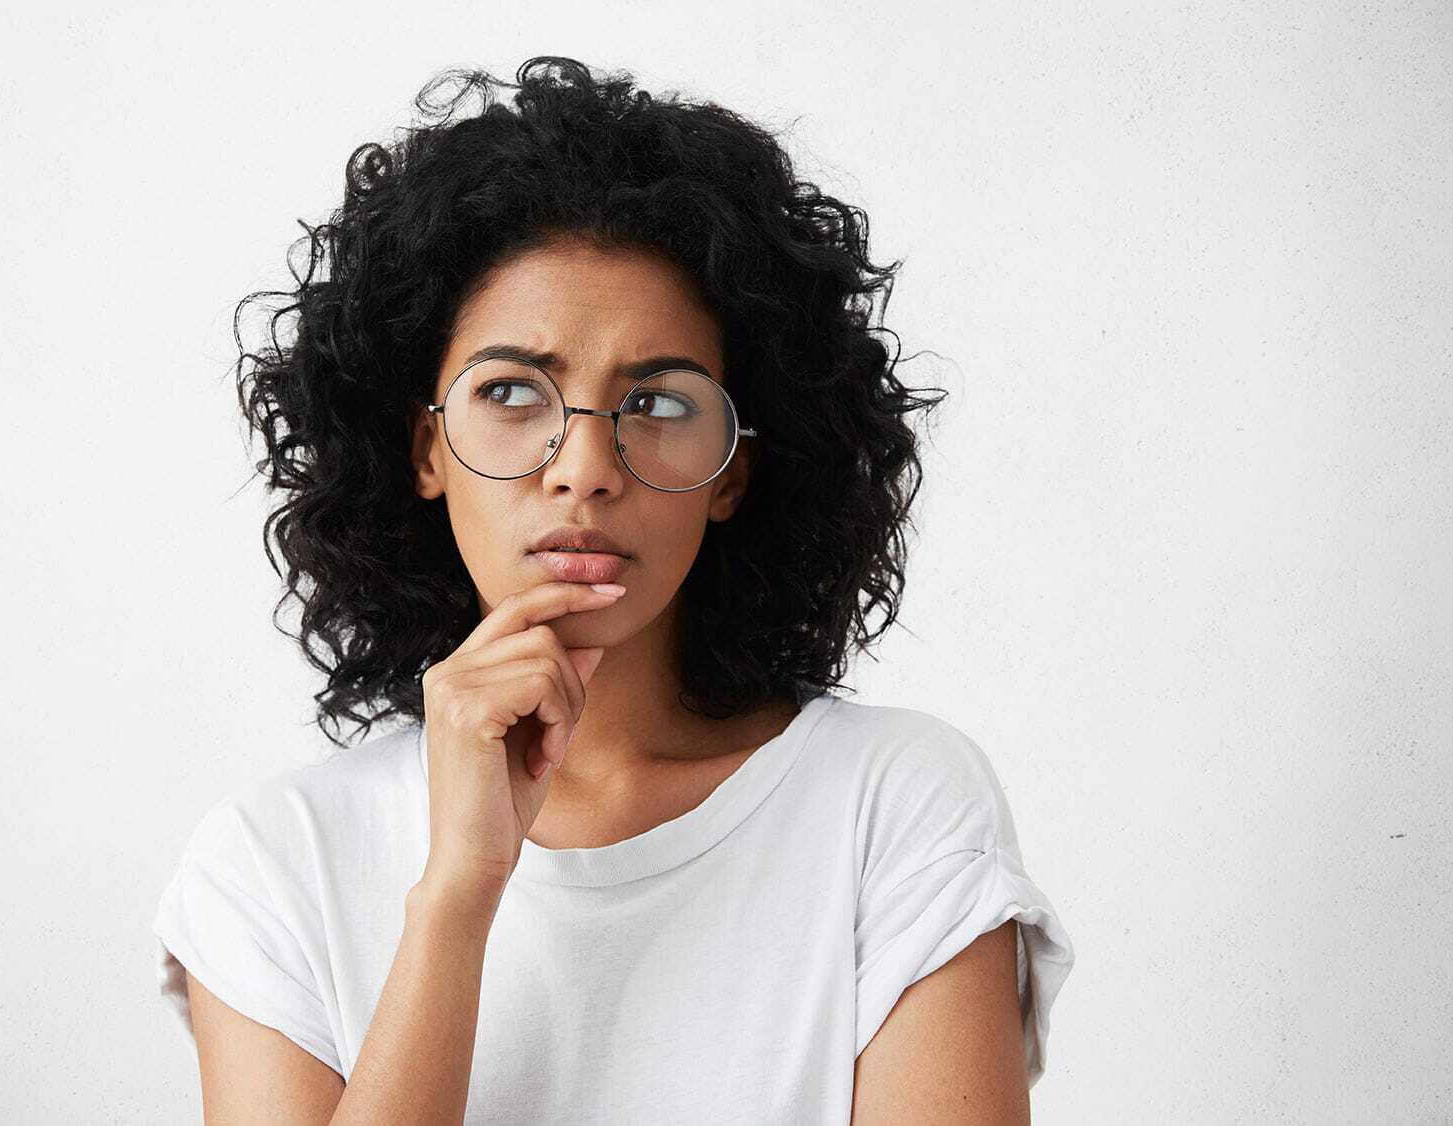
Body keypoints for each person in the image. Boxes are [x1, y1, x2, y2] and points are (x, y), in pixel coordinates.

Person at [151, 55, 1075, 1123]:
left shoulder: (893, 806)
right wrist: (457, 892)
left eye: (659, 402)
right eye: (510, 391)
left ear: (731, 473)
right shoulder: (275, 861)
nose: (583, 464)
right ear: (426, 450)